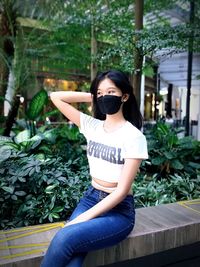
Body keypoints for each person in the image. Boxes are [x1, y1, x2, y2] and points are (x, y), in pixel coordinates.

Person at [41, 70, 148, 267]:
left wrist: (82, 218)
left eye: (111, 92)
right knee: (73, 256)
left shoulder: (134, 137)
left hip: (119, 211)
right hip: (91, 198)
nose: (104, 97)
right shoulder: (92, 126)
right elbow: (56, 97)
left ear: (124, 96)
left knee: (65, 238)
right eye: (100, 93)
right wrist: (93, 96)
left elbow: (122, 191)